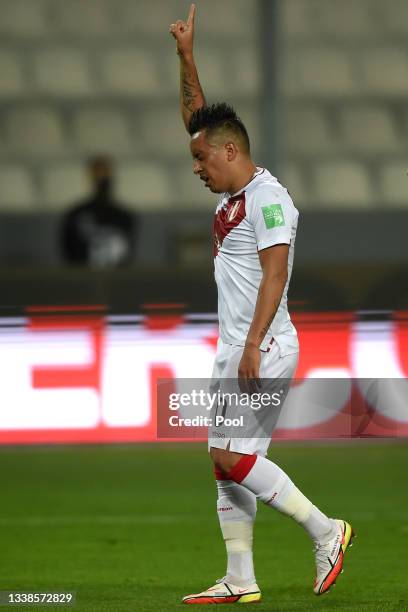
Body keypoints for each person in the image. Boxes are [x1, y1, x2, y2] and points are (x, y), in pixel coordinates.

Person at [170, 5, 354, 605]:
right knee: (223, 461)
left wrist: (251, 344)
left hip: (264, 345)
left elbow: (276, 272)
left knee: (231, 455)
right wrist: (186, 57)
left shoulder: (268, 197)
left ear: (229, 151)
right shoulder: (236, 189)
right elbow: (195, 119)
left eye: (202, 159)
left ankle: (327, 531)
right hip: (237, 345)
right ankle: (240, 578)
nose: (196, 168)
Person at [61, 155, 136, 267]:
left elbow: (127, 253)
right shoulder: (76, 215)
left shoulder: (124, 216)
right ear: (90, 177)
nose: (102, 180)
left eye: (105, 175)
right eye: (98, 175)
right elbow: (69, 252)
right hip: (84, 278)